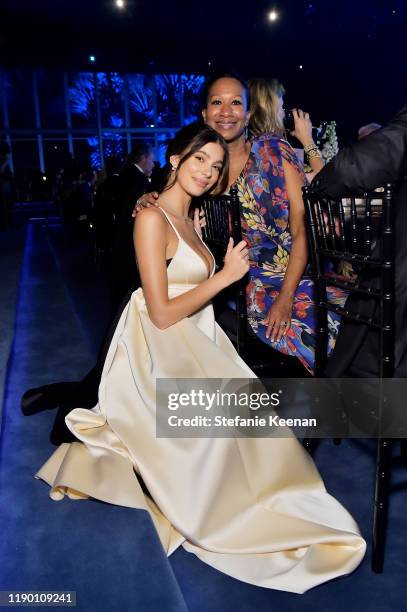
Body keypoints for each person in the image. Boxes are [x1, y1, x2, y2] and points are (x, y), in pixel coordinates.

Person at [36, 123, 365, 593]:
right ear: (173, 160)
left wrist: (205, 248)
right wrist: (226, 275)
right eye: (198, 161)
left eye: (214, 167)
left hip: (198, 339)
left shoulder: (193, 218)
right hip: (160, 349)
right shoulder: (151, 218)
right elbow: (163, 311)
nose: (207, 173)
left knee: (256, 419)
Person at [312, 103, 407, 378]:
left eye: (372, 139)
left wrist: (322, 192)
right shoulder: (372, 201)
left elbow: (364, 163)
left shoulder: (380, 191)